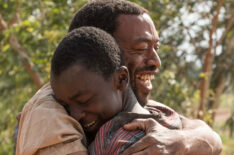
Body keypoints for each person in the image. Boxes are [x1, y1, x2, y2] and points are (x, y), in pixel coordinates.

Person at [16, 0, 222, 154]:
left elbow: (208, 134)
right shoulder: (49, 111)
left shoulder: (143, 111)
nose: (156, 61)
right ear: (102, 50)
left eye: (155, 48)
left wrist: (183, 140)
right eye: (141, 48)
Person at [50, 26, 182, 154]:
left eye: (84, 101)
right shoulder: (168, 116)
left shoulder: (113, 144)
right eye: (65, 106)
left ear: (121, 79)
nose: (74, 116)